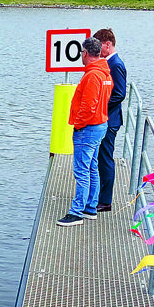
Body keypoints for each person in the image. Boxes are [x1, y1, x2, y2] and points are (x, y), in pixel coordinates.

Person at [58, 37, 113, 227]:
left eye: (81, 53)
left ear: (86, 53)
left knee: (81, 170)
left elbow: (89, 106)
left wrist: (78, 124)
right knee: (92, 168)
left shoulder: (92, 75)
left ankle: (77, 212)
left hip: (88, 128)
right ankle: (90, 207)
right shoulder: (105, 73)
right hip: (100, 125)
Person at [92, 28, 127, 213]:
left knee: (105, 159)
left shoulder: (116, 64)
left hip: (110, 120)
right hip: (108, 118)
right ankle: (101, 196)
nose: (97, 51)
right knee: (101, 157)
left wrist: (100, 106)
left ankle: (105, 200)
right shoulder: (109, 63)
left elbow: (120, 94)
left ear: (108, 44)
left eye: (100, 46)